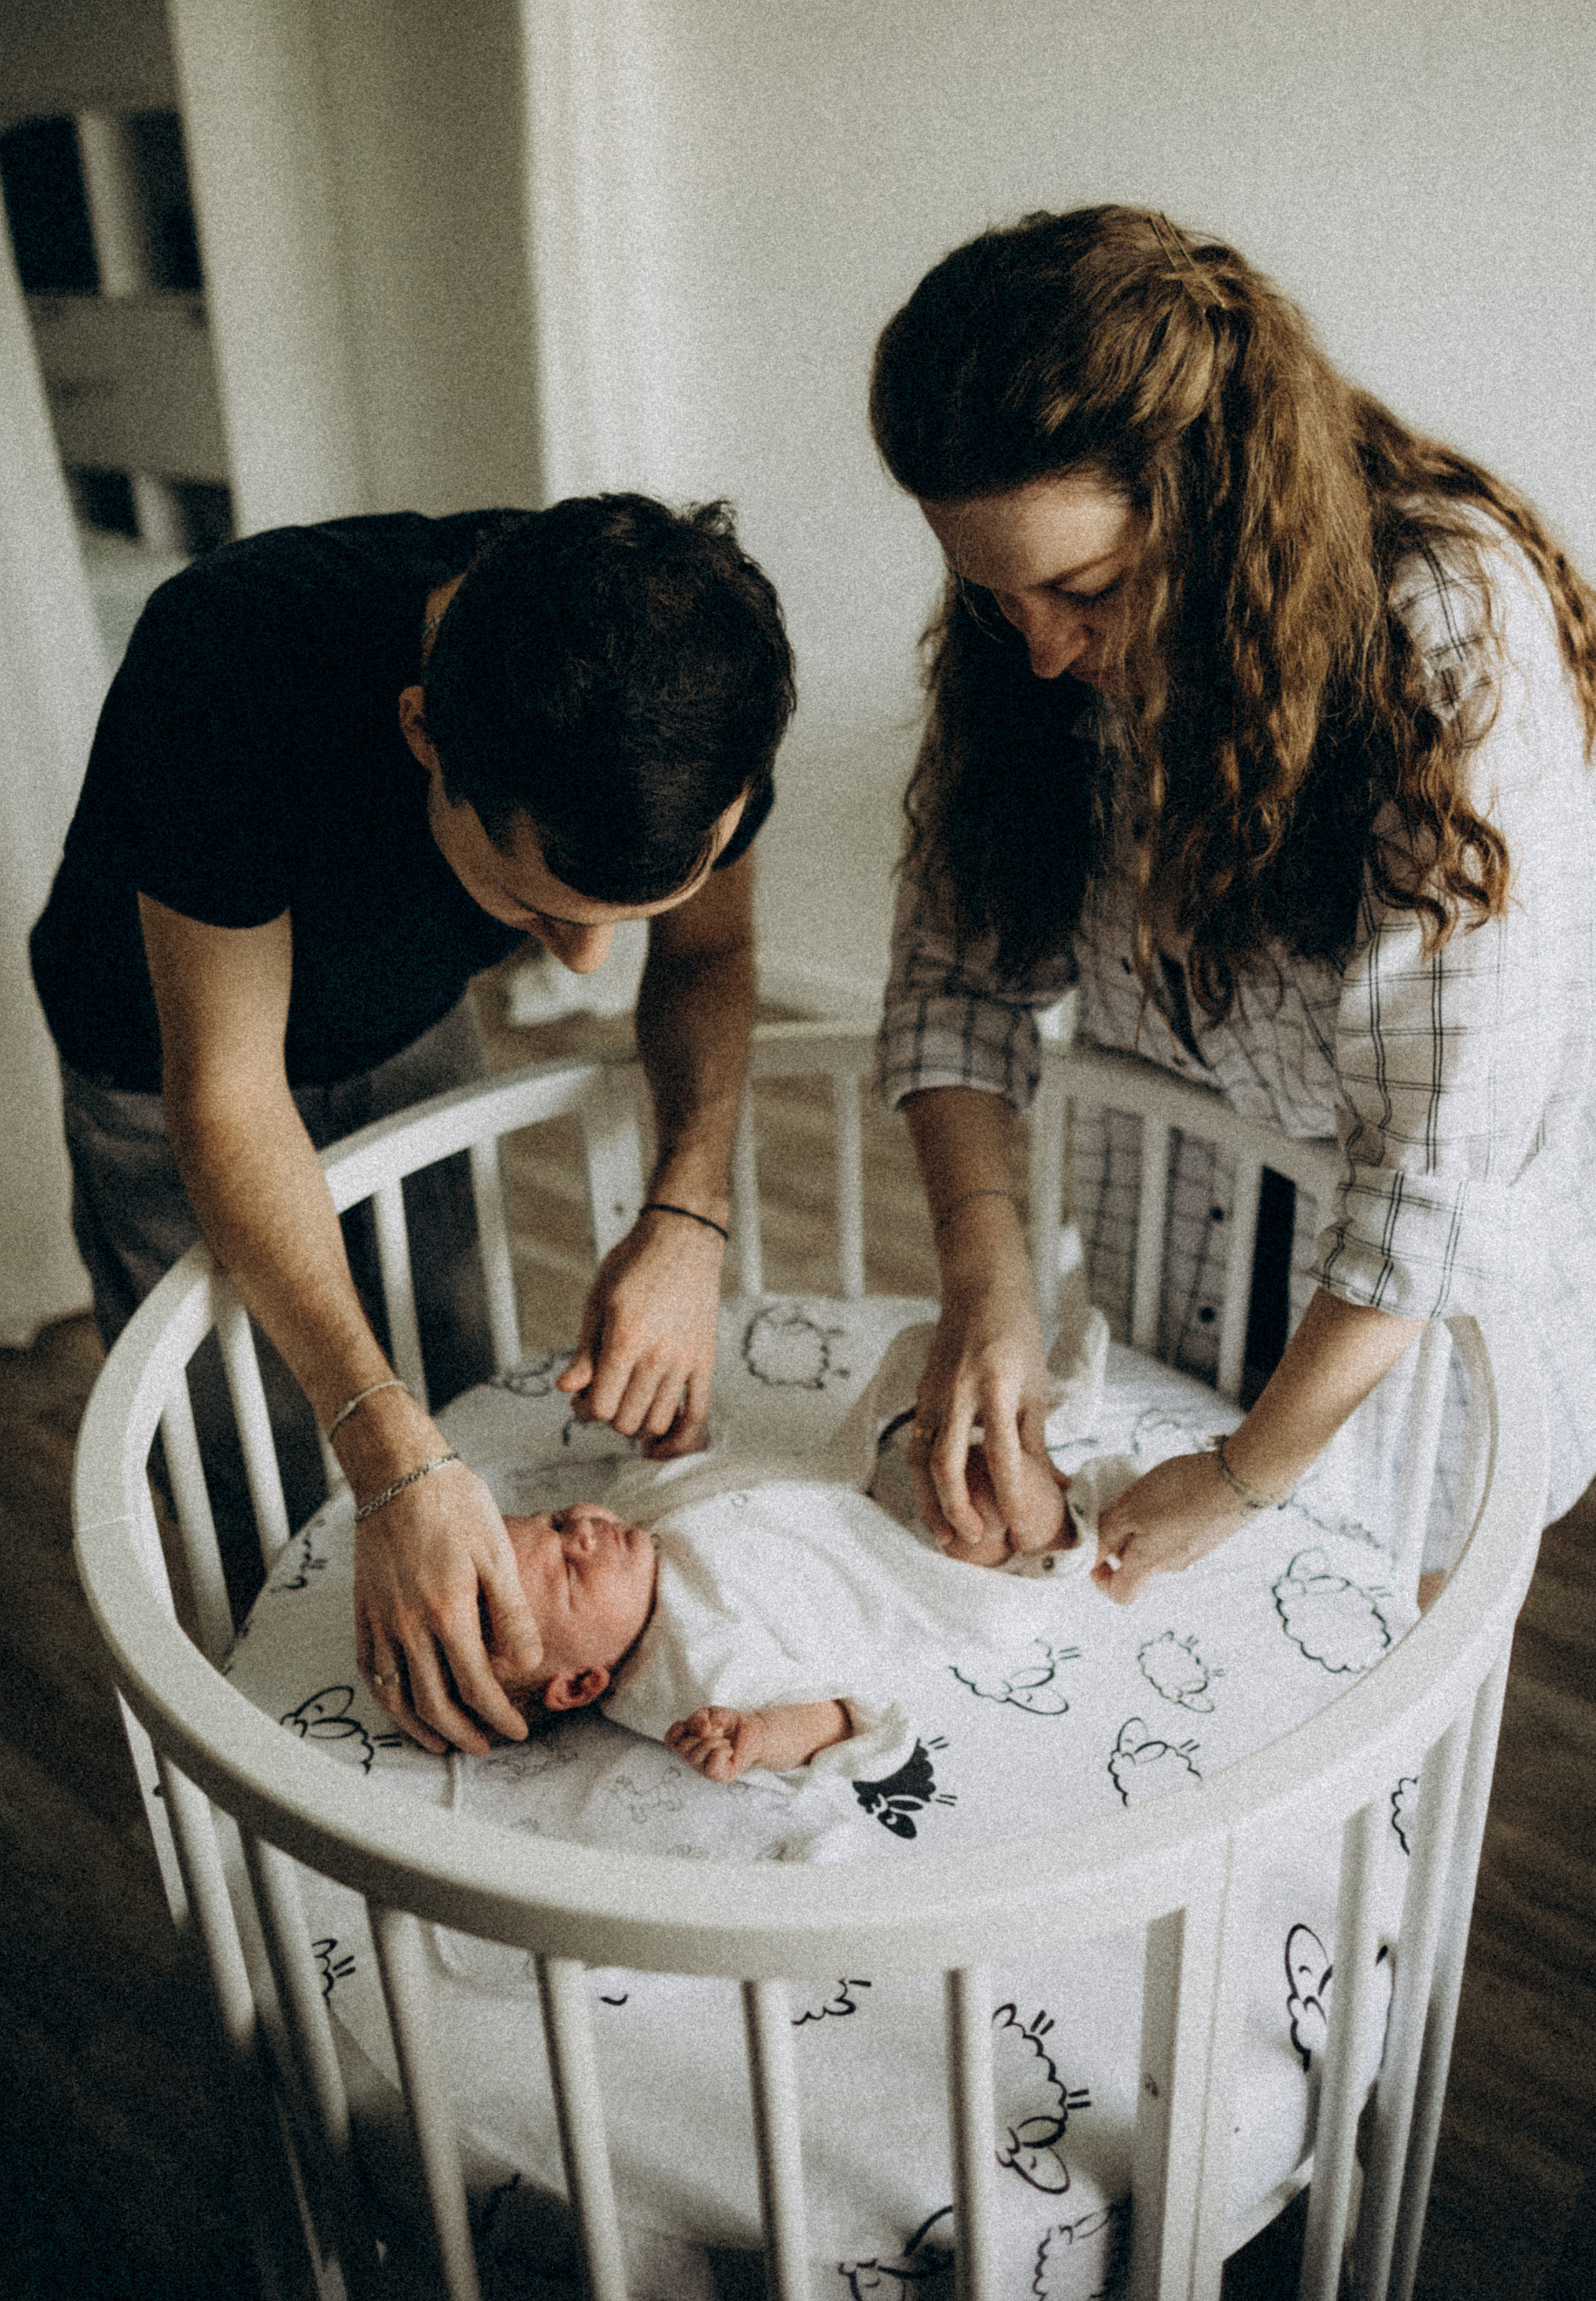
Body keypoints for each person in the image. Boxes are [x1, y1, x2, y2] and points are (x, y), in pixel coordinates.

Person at [868, 205, 1596, 1602]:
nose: (1039, 649)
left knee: (1370, 1616)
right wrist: (987, 1283)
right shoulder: (1026, 648)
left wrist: (1251, 1472)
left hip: (1405, 1309)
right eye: (993, 596)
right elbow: (954, 987)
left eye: (1088, 589)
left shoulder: (1445, 634)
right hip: (1176, 1223)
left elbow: (1433, 1168)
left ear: (1210, 509)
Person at [32, 492, 795, 1755]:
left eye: (627, 916)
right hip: (163, 1060)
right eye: (539, 908)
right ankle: (307, 1769)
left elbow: (707, 958)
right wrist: (383, 1457)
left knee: (450, 1382)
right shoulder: (227, 659)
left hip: (410, 1015)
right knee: (261, 1470)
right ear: (422, 734)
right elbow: (227, 1090)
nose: (589, 965)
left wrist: (688, 1209)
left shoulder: (694, 697)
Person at [483, 1372, 1117, 1789]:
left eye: (557, 1521)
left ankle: (1042, 1420)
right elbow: (837, 1719)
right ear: (583, 1682)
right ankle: (1083, 1517)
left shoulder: (631, 1530)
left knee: (943, 1396)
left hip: (860, 1482)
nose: (583, 1531)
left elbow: (681, 1473)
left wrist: (674, 1443)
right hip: (923, 1570)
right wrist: (760, 1737)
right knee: (988, 1489)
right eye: (569, 1570)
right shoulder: (689, 1673)